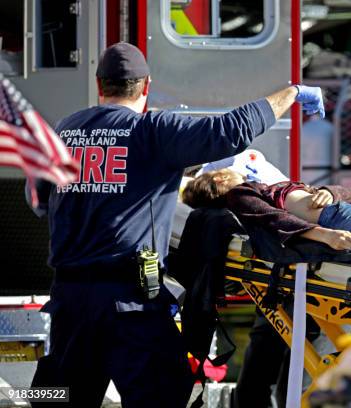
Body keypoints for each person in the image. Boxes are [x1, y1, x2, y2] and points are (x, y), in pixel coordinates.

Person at [25, 42, 326, 408]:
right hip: (130, 306)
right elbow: (230, 130)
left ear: (99, 84)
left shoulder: (66, 129)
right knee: (166, 396)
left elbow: (37, 197)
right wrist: (293, 92)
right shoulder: (153, 131)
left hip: (70, 303)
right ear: (146, 86)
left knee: (57, 399)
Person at [181, 168, 351, 251]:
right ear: (219, 179)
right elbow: (276, 219)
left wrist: (328, 192)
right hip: (341, 218)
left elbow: (349, 195)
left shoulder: (258, 191)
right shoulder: (240, 194)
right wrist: (325, 235)